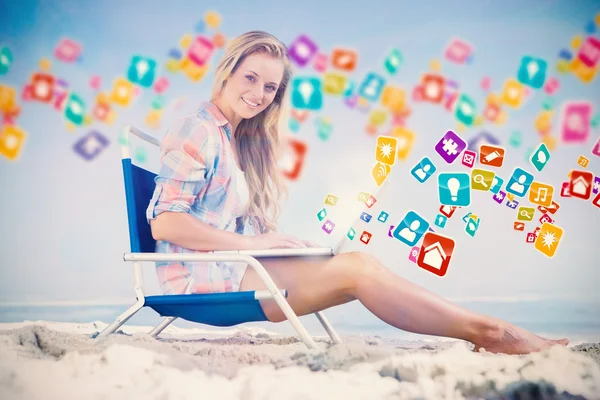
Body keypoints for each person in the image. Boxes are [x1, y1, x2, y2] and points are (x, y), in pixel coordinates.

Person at [147, 30, 568, 355]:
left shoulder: (237, 140)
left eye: (270, 88)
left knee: (357, 262)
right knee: (357, 272)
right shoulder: (198, 130)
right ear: (227, 70)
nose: (258, 94)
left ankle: (488, 330)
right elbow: (165, 221)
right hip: (199, 279)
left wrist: (281, 245)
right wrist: (252, 243)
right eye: (250, 78)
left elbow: (226, 220)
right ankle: (492, 333)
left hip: (233, 266)